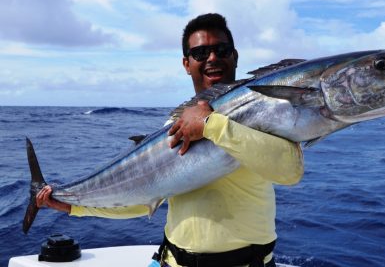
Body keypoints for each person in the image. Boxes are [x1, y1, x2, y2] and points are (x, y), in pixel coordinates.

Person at [36, 13, 304, 267]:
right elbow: (143, 199)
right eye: (200, 53)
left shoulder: (265, 112)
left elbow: (289, 172)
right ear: (187, 64)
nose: (211, 58)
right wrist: (75, 207)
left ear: (234, 57)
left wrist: (211, 124)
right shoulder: (172, 129)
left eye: (221, 50)